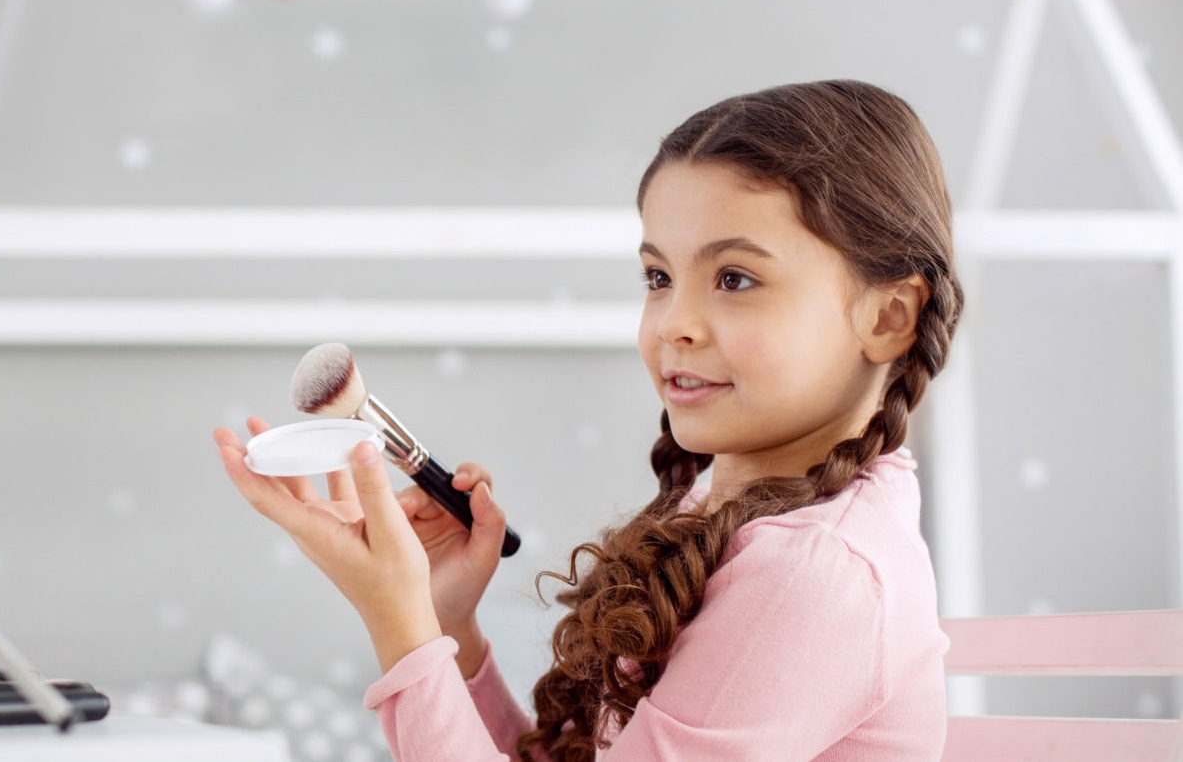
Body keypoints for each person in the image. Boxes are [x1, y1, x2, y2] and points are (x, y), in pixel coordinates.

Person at [213, 79, 964, 761]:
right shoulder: (730, 518)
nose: (674, 322)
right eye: (658, 277)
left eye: (734, 278)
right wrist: (446, 628)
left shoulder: (816, 572)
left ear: (888, 316)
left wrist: (395, 620)